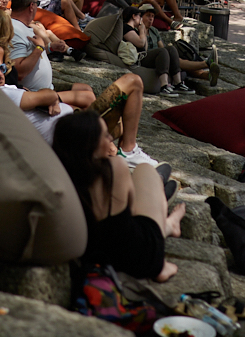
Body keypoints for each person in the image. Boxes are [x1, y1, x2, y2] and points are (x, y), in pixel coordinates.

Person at [52, 111, 181, 282]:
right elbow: (134, 211)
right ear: (92, 145)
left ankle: (168, 223)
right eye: (105, 136)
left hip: (95, 257)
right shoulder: (115, 167)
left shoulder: (60, 178)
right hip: (141, 257)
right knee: (145, 171)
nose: (110, 139)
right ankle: (166, 223)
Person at [9, 0, 95, 107]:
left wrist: (50, 48)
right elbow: (19, 72)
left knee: (86, 88)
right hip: (35, 94)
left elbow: (30, 53)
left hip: (47, 88)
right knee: (88, 98)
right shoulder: (15, 30)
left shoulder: (24, 26)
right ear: (31, 6)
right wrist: (39, 48)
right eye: (36, 3)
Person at [0, 47, 72, 144]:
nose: (0, 74)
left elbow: (47, 96)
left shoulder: (5, 88)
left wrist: (53, 99)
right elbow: (50, 96)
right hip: (61, 138)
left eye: (2, 68)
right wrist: (53, 99)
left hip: (64, 127)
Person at [121, 5, 194, 96]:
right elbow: (140, 43)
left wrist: (142, 32)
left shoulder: (142, 30)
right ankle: (164, 86)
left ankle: (178, 83)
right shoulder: (126, 28)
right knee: (162, 51)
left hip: (143, 55)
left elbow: (145, 47)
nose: (140, 19)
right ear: (134, 16)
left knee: (171, 49)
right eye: (139, 16)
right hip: (137, 58)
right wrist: (142, 31)